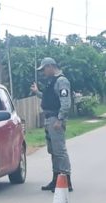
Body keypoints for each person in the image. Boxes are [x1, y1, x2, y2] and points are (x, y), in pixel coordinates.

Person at [31, 57, 73, 192]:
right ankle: (56, 179)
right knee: (53, 151)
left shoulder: (62, 81)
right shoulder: (53, 81)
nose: (43, 72)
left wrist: (60, 119)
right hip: (49, 119)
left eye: (44, 69)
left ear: (50, 66)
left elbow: (65, 102)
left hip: (55, 118)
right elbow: (48, 98)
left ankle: (66, 180)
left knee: (60, 151)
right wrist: (37, 92)